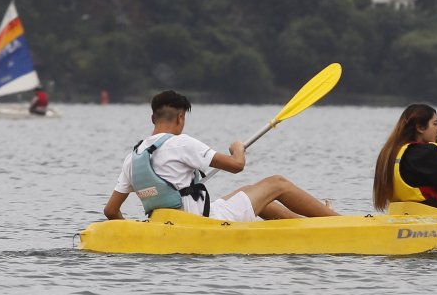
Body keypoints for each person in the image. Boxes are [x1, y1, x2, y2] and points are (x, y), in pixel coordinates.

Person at [103, 90, 338, 222]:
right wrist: (238, 148)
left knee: (254, 195)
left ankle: (306, 226)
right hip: (204, 221)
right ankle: (335, 220)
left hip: (167, 221)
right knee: (277, 183)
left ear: (153, 118)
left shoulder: (133, 157)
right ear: (181, 118)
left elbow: (111, 211)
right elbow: (237, 165)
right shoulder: (181, 143)